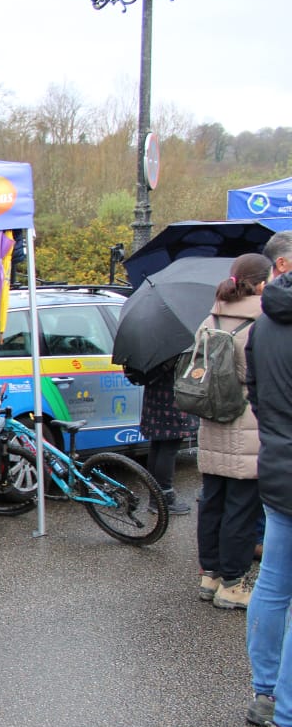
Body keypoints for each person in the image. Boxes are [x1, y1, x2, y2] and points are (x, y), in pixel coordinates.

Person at [195, 253, 268, 609]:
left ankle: (210, 576)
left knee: (212, 501)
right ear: (262, 283)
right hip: (246, 423)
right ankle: (234, 583)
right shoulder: (261, 321)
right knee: (242, 507)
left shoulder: (210, 318)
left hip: (212, 420)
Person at [244, 232, 292, 727]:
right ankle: (285, 724)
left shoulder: (264, 325)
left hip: (277, 464)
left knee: (275, 585)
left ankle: (265, 693)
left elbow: (256, 394)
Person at [138, 361, 196, 516]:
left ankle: (155, 497)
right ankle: (165, 497)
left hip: (153, 398)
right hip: (171, 400)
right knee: (168, 449)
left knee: (157, 446)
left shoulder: (152, 349)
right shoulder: (175, 347)